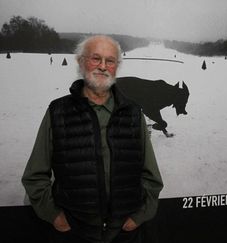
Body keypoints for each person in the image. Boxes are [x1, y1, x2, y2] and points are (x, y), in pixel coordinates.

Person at [22, 35, 164, 243]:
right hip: (74, 233)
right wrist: (54, 216)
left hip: (126, 234)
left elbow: (151, 176)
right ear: (81, 62)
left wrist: (139, 216)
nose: (103, 66)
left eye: (110, 60)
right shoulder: (57, 111)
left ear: (117, 66)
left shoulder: (133, 112)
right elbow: (34, 176)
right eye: (96, 58)